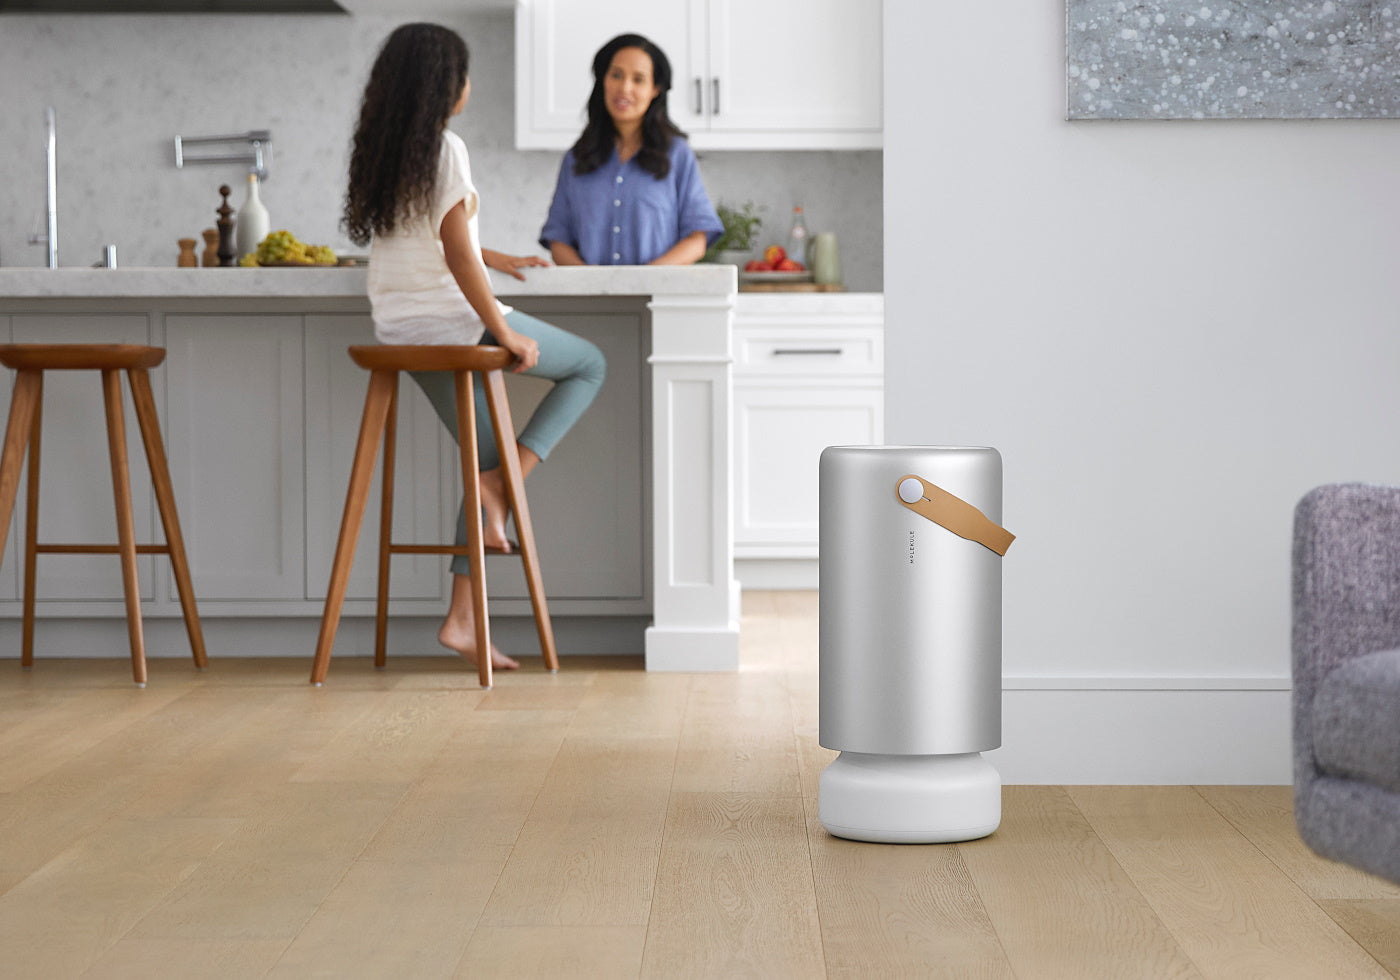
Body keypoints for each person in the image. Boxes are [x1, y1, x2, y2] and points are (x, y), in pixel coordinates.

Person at [344, 23, 606, 671]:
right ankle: (494, 493)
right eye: (463, 73)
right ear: (443, 85)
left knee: (488, 461)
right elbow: (455, 252)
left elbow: (427, 236)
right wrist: (505, 326)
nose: (469, 86)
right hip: (455, 321)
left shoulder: (384, 150)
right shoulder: (446, 148)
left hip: (402, 329)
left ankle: (464, 619)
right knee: (588, 365)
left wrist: (495, 255)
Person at [540, 32, 724, 266]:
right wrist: (596, 289)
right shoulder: (576, 158)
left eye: (638, 79)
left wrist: (645, 281)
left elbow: (698, 238)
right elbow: (559, 239)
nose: (625, 88)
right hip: (591, 301)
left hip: (659, 298)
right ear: (603, 80)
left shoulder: (677, 154)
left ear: (655, 89)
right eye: (616, 75)